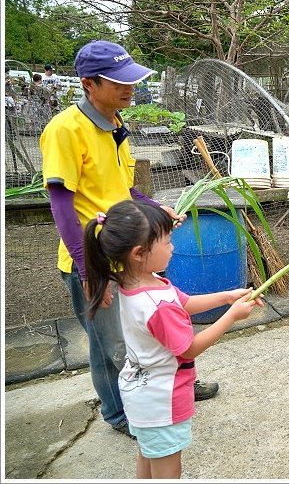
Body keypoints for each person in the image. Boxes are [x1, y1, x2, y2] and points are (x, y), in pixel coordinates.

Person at [39, 40, 220, 441]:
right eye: (118, 82)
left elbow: (122, 190)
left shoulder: (116, 125)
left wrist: (155, 208)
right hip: (95, 259)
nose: (129, 89)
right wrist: (87, 270)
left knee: (150, 329)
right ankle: (120, 413)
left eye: (131, 81)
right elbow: (61, 207)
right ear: (88, 84)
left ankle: (175, 386)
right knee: (111, 345)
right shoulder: (65, 130)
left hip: (128, 253)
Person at [83, 200, 264, 478]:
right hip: (162, 400)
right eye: (167, 242)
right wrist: (231, 316)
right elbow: (189, 349)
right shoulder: (158, 307)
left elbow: (186, 302)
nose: (173, 247)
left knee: (148, 455)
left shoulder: (138, 282)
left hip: (141, 393)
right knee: (167, 470)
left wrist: (228, 297)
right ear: (139, 253)